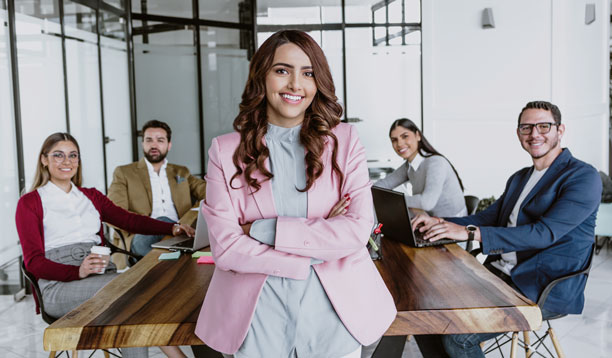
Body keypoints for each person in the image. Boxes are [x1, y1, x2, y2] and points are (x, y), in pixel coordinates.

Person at [194, 30, 397, 358]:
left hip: (335, 319)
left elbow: (356, 233)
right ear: (262, 76)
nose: (295, 85)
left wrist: (263, 231)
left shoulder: (344, 141)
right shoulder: (225, 150)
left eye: (308, 73)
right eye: (282, 70)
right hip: (257, 322)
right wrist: (315, 244)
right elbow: (227, 248)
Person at [412, 101, 601, 357]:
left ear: (560, 130)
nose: (535, 134)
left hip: (543, 286)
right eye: (526, 128)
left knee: (458, 336)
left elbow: (543, 234)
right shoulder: (520, 177)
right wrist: (440, 223)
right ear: (518, 133)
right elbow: (489, 217)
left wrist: (470, 234)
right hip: (500, 274)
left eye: (543, 126)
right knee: (427, 316)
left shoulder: (582, 176)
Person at [16, 132, 193, 358]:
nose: (66, 161)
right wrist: (77, 271)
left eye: (73, 155)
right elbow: (33, 263)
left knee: (136, 293)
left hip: (100, 276)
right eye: (58, 155)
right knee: (133, 289)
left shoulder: (90, 196)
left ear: (78, 161)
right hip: (58, 287)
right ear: (44, 159)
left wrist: (171, 228)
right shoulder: (30, 203)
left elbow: (128, 219)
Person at [108, 120, 206, 257]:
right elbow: (114, 211)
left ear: (169, 145)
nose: (154, 145)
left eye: (160, 140)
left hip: (181, 232)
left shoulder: (181, 172)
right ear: (143, 144)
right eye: (149, 140)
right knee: (163, 220)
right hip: (142, 235)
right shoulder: (124, 173)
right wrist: (165, 226)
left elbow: (208, 191)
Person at [374, 118, 467, 217]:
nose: (400, 144)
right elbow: (384, 184)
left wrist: (393, 200)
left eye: (405, 136)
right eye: (394, 140)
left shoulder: (436, 163)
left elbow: (426, 203)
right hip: (432, 220)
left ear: (417, 136)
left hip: (454, 223)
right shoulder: (409, 165)